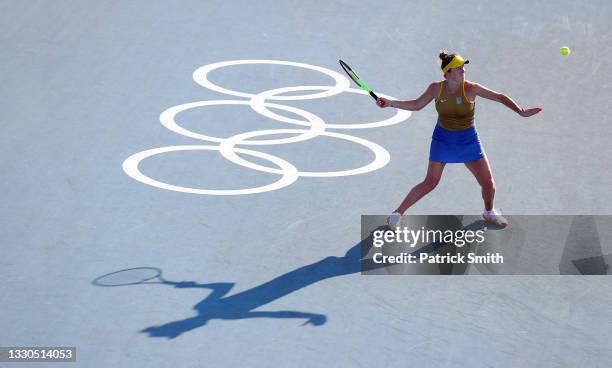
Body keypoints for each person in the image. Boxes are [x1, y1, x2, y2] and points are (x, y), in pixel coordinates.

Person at [377, 51, 542, 228]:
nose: (463, 70)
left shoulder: (471, 88)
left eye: (463, 67)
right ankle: (396, 214)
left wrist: (521, 111)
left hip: (468, 141)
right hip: (443, 140)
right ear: (447, 72)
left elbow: (500, 97)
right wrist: (391, 103)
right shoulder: (435, 88)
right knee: (431, 182)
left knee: (488, 184)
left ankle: (489, 211)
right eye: (458, 68)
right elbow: (416, 105)